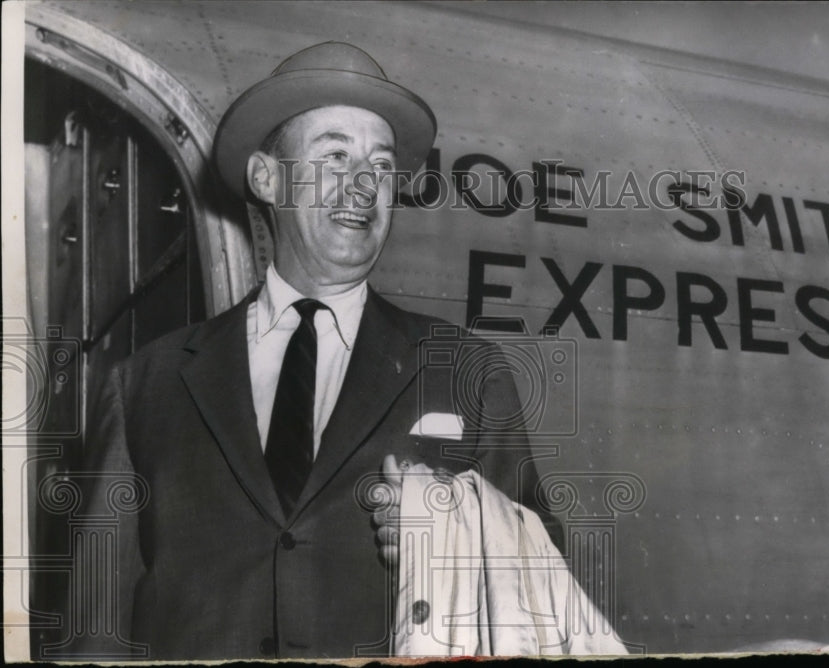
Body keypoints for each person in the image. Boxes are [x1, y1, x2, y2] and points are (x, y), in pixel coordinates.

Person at [62, 42, 558, 661]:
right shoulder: (143, 385)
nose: (362, 187)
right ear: (267, 178)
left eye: (380, 166)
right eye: (334, 156)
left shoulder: (465, 370)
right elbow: (95, 637)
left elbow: (545, 587)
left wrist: (465, 529)